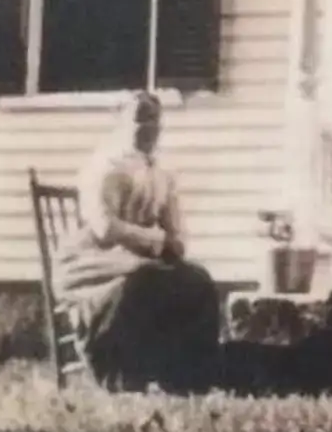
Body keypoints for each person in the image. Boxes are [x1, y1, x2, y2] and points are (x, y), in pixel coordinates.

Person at [54, 90, 222, 392]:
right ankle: (120, 372)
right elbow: (105, 228)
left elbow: (174, 228)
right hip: (94, 260)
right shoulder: (105, 166)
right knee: (144, 281)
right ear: (120, 123)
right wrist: (155, 240)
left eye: (155, 120)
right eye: (140, 119)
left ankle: (186, 377)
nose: (149, 128)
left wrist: (176, 243)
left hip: (140, 259)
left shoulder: (162, 173)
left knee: (198, 280)